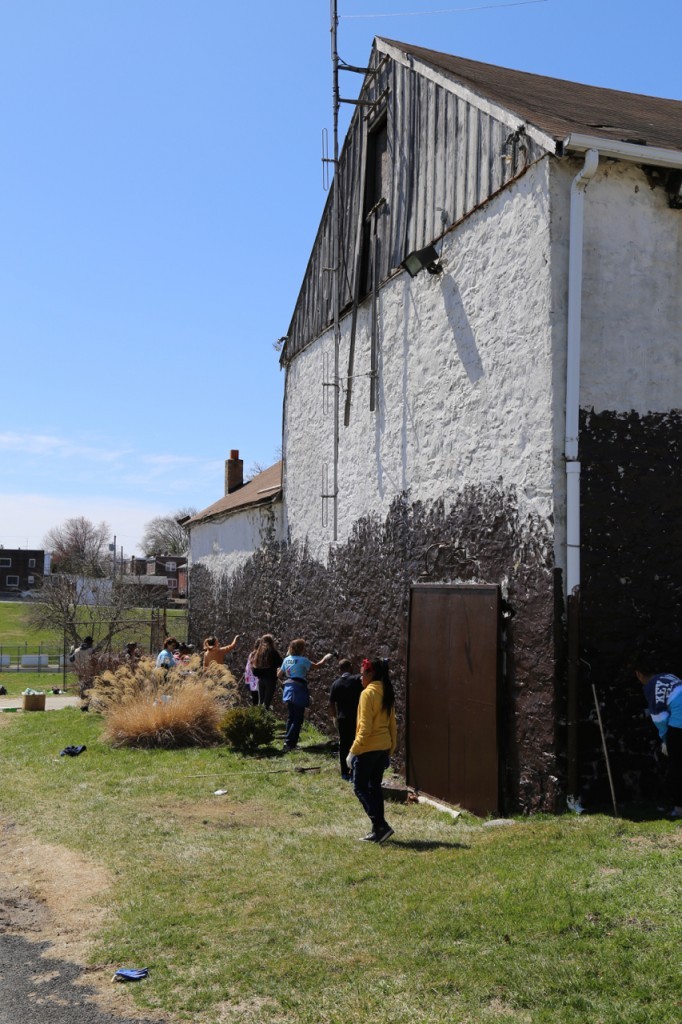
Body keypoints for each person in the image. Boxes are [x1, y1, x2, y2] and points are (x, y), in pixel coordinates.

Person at [347, 657, 397, 843]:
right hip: (383, 747)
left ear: (371, 674)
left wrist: (353, 751)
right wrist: (390, 748)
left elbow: (365, 728)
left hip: (368, 748)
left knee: (360, 787)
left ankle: (381, 825)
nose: (360, 678)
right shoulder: (387, 692)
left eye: (362, 674)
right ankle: (378, 830)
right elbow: (393, 724)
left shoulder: (368, 694)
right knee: (374, 788)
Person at [634, 652, 682, 820]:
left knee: (677, 765)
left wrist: (666, 740)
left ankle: (679, 808)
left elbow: (659, 718)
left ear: (638, 674)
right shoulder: (669, 676)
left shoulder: (650, 686)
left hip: (679, 721)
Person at [277, 639, 333, 751]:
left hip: (288, 688)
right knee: (298, 718)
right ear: (301, 649)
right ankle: (289, 744)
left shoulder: (287, 660)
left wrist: (279, 669)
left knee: (291, 717)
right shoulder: (303, 660)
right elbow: (318, 665)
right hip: (298, 688)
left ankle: (287, 743)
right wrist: (327, 657)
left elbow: (279, 675)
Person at [329, 658, 362, 780]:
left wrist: (334, 718)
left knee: (344, 745)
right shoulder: (356, 680)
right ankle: (355, 771)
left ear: (339, 670)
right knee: (357, 744)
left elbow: (331, 703)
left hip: (342, 719)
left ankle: (344, 772)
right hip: (357, 718)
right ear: (350, 667)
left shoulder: (335, 684)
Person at [250, 634, 283, 709]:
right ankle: (264, 719)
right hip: (270, 680)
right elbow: (281, 663)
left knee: (260, 702)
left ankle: (259, 718)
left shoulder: (258, 653)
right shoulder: (273, 652)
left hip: (260, 680)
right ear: (271, 642)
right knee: (266, 703)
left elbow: (254, 666)